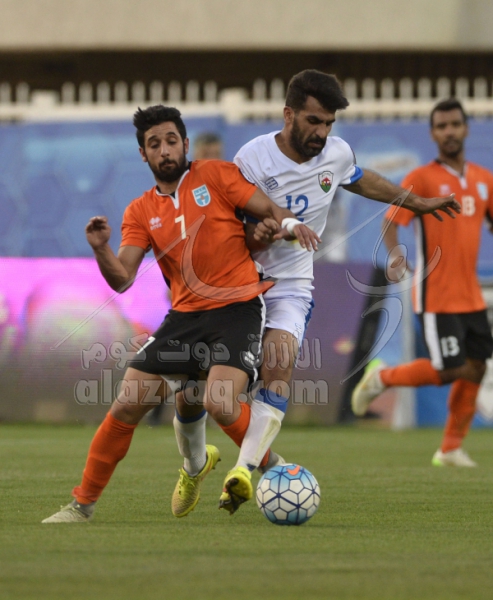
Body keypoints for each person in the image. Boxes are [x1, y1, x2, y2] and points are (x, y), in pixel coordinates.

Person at [172, 69, 461, 513]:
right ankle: (194, 465)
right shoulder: (253, 158)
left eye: (328, 123)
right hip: (238, 280)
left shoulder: (335, 153)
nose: (322, 133)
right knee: (195, 389)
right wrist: (258, 234)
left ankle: (243, 472)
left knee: (279, 364)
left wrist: (414, 201)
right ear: (288, 114)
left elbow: (359, 177)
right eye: (313, 121)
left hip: (290, 285)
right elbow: (228, 222)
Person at [42, 105, 319, 523]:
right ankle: (82, 505)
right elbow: (122, 279)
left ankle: (275, 468)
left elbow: (270, 210)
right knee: (126, 405)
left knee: (218, 401)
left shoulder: (216, 175)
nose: (165, 150)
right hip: (184, 318)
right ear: (143, 154)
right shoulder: (139, 211)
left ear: (185, 144)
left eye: (171, 140)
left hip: (237, 308)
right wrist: (100, 249)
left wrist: (291, 224)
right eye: (154, 144)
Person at [351, 98, 493, 467]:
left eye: (454, 124)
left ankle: (450, 449)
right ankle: (383, 377)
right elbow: (390, 220)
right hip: (437, 295)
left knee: (476, 367)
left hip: (471, 296)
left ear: (466, 129)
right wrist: (396, 254)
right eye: (442, 126)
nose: (449, 132)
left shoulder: (483, 179)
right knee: (450, 369)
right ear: (433, 134)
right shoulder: (422, 178)